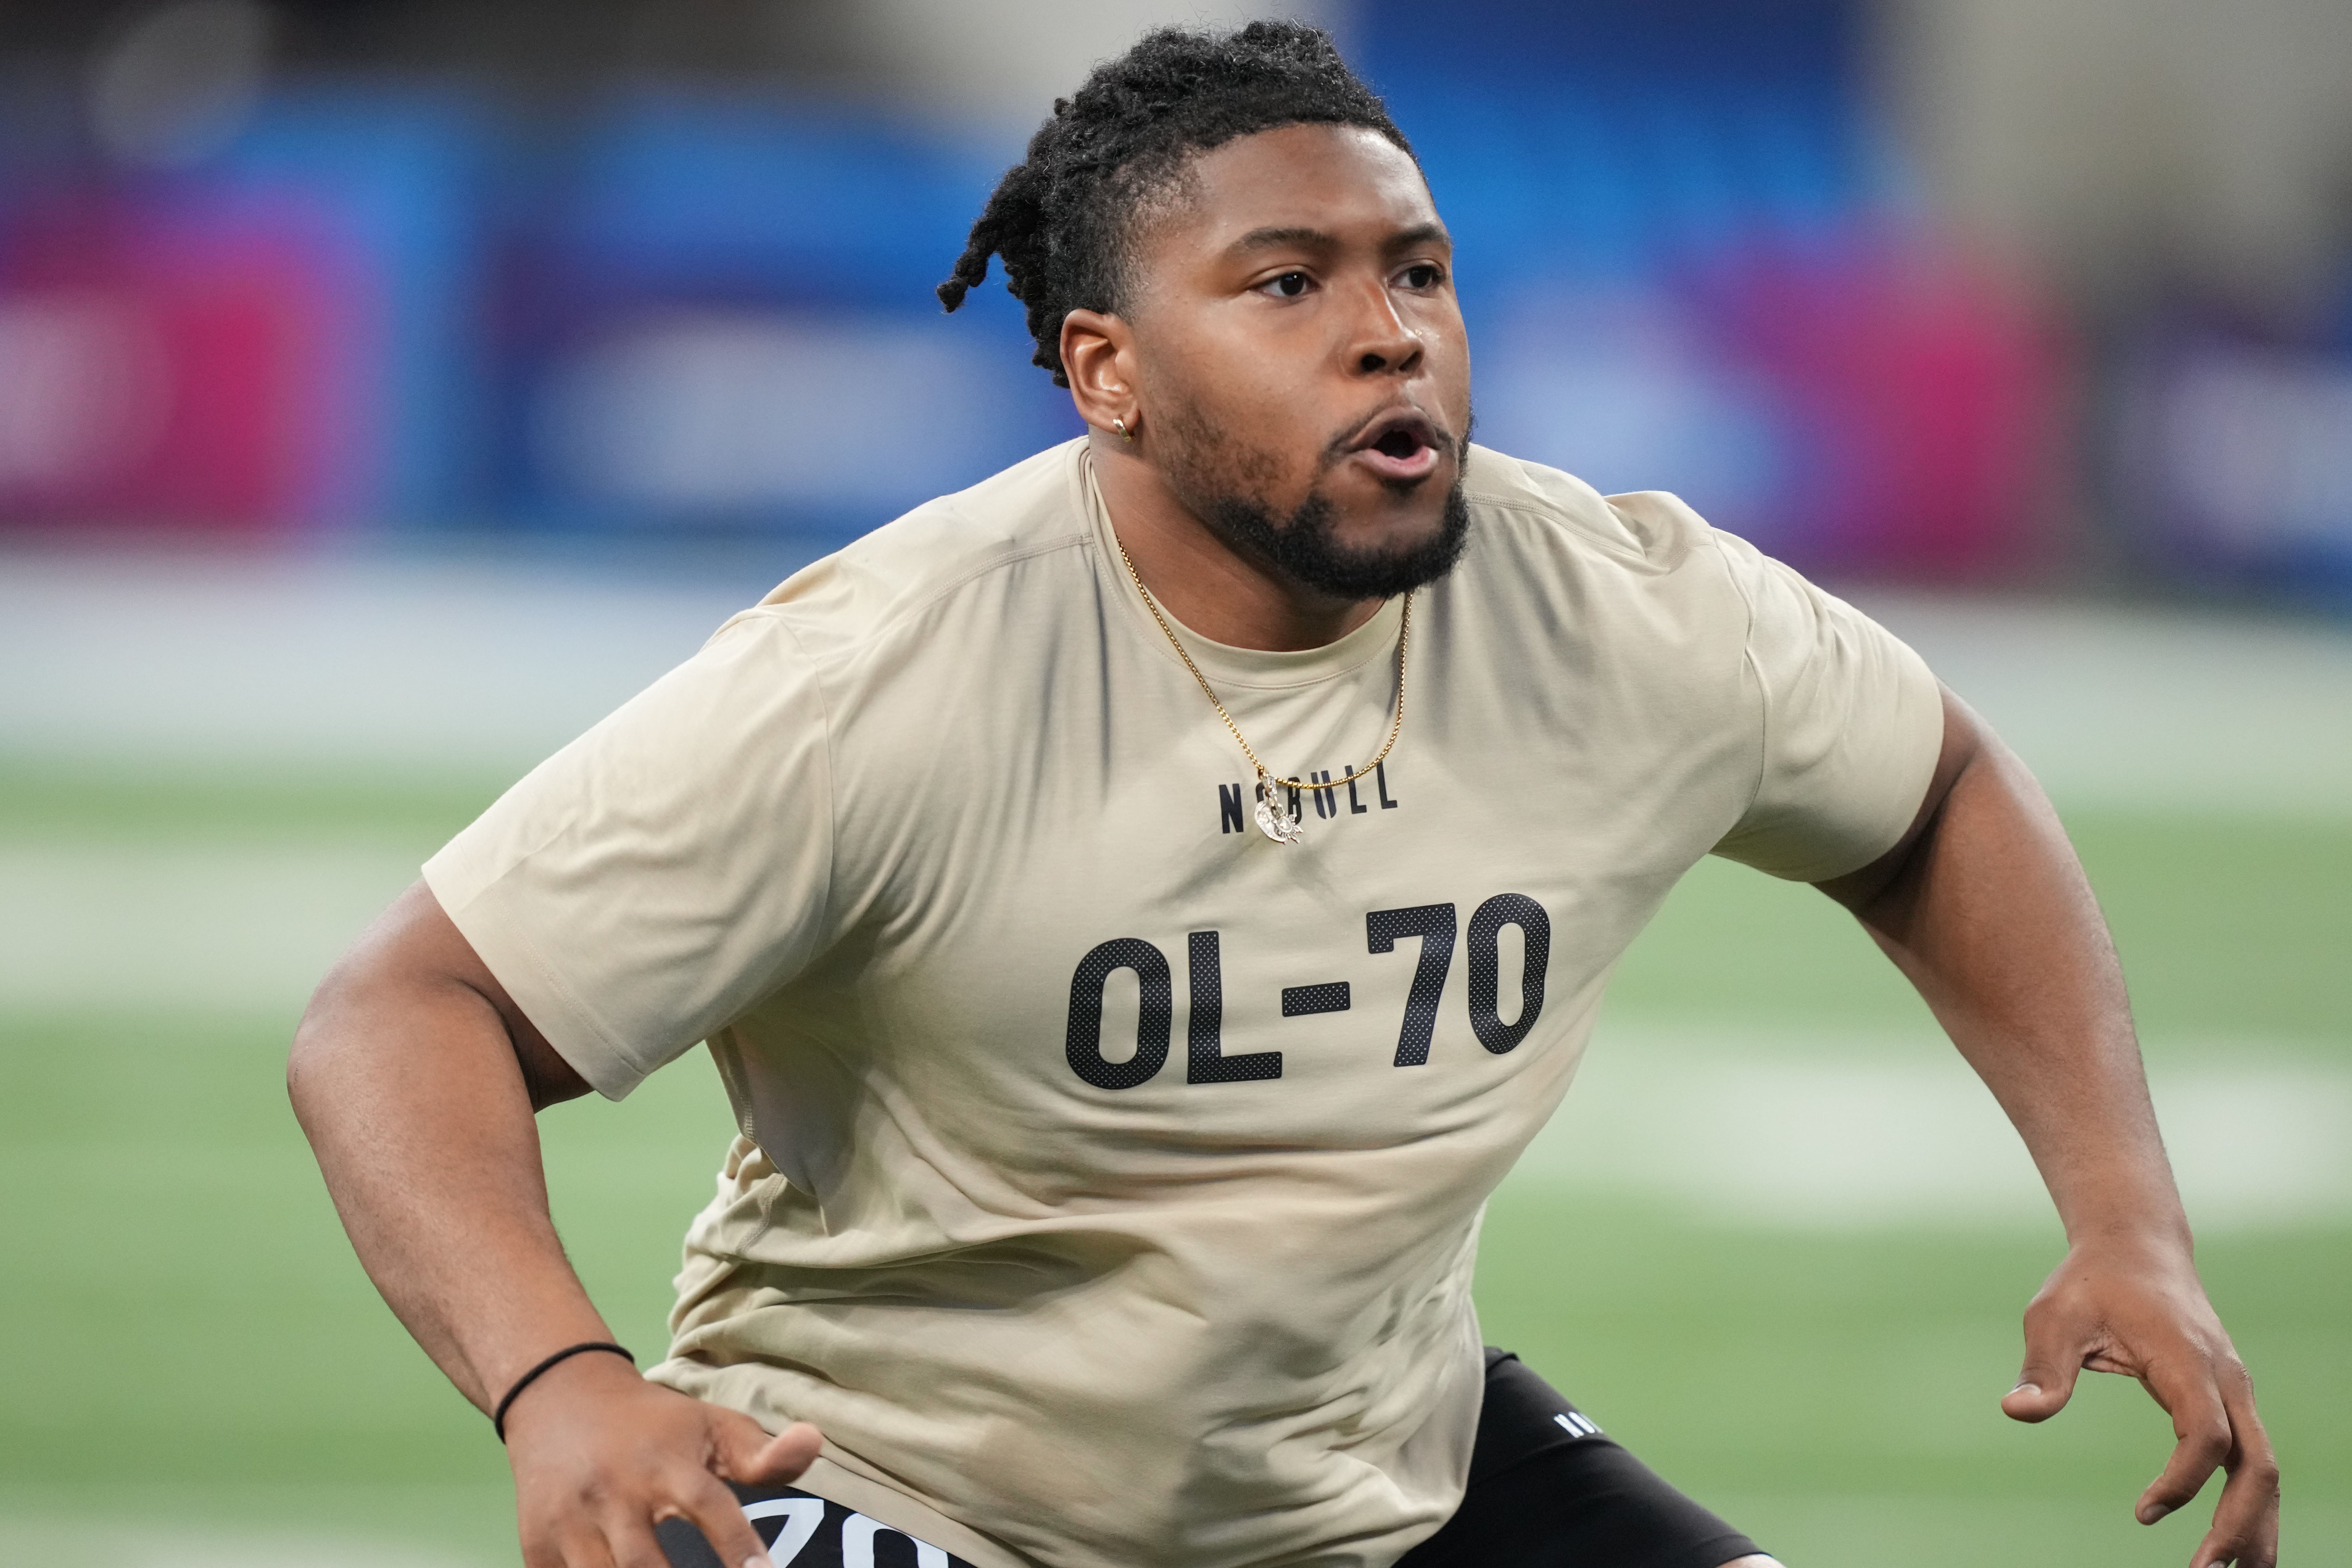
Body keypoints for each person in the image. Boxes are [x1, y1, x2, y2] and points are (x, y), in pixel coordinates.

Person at [289, 21, 2279, 1568]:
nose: (1386, 328)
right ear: (1108, 374)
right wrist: (560, 1384)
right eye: (1287, 283)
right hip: (896, 1479)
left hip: (1373, 1482)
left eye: (1416, 266)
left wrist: (2126, 1216)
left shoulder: (1622, 608)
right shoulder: (881, 675)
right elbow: (402, 1013)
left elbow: (1936, 792)